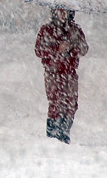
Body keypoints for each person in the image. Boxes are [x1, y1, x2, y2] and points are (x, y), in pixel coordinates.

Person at [35, 8, 89, 144]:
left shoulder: (75, 30)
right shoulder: (47, 30)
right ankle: (53, 134)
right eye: (60, 11)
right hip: (53, 73)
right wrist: (57, 49)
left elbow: (84, 49)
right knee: (56, 103)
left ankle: (65, 132)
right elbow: (39, 50)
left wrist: (71, 48)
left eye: (65, 11)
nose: (63, 14)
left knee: (71, 104)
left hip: (70, 74)